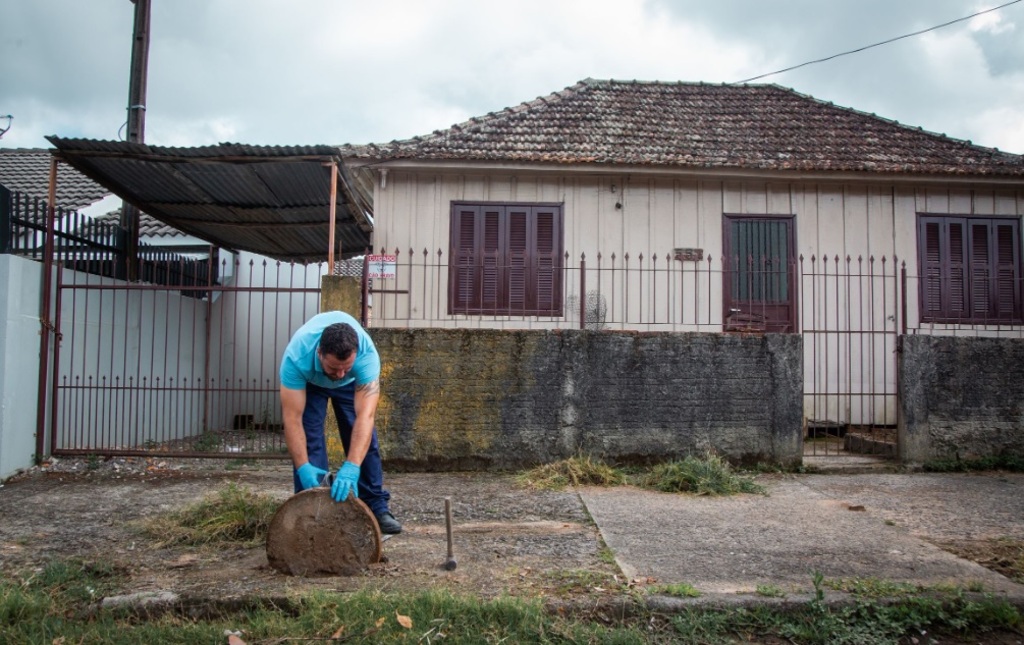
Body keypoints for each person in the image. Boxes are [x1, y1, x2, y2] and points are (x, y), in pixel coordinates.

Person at [279, 310, 402, 534]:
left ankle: (376, 506)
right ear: (319, 353)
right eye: (334, 368)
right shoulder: (296, 358)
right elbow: (292, 419)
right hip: (311, 381)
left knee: (365, 440)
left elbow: (365, 417)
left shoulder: (365, 357)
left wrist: (352, 466)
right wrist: (303, 467)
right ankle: (311, 507)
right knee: (309, 437)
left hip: (353, 384)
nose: (340, 373)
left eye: (346, 366)